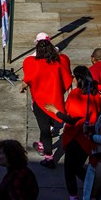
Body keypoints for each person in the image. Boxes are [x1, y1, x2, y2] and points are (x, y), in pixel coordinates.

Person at [20, 33, 73, 169]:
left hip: (40, 102)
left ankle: (48, 157)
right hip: (56, 101)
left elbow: (27, 79)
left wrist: (22, 87)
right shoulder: (61, 60)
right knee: (48, 124)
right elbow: (67, 75)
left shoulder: (31, 63)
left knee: (44, 129)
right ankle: (42, 143)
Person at [60, 66, 101, 200]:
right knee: (78, 167)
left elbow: (71, 116)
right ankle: (95, 192)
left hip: (75, 138)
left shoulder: (75, 94)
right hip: (89, 139)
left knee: (70, 170)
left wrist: (55, 111)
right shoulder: (96, 94)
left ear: (78, 78)